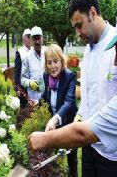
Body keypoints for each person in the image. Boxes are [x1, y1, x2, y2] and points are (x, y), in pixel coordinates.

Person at [29, 4, 117, 177]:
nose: (115, 63)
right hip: (94, 145)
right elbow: (88, 96)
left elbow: (85, 133)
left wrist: (43, 139)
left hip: (112, 149)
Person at [68, 0, 117, 177]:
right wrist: (79, 116)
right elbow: (88, 95)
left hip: (112, 151)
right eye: (75, 28)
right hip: (88, 145)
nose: (78, 33)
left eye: (79, 25)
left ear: (92, 13)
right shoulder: (87, 51)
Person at [42, 44, 78, 177]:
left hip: (69, 124)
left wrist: (55, 119)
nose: (52, 66)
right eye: (49, 62)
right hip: (54, 126)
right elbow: (46, 96)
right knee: (57, 160)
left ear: (62, 61)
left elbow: (69, 102)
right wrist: (37, 103)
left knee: (71, 161)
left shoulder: (69, 77)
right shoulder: (46, 76)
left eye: (55, 61)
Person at [21, 26, 45, 102]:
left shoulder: (48, 53)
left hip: (48, 97)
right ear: (31, 40)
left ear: (42, 39)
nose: (37, 41)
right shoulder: (27, 57)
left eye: (39, 38)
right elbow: (22, 78)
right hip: (33, 98)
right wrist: (29, 83)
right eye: (35, 39)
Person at [14, 28, 31, 107]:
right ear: (24, 39)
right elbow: (17, 71)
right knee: (25, 107)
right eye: (28, 37)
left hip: (33, 84)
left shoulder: (34, 51)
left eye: (31, 37)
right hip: (23, 86)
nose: (30, 39)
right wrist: (18, 87)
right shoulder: (20, 52)